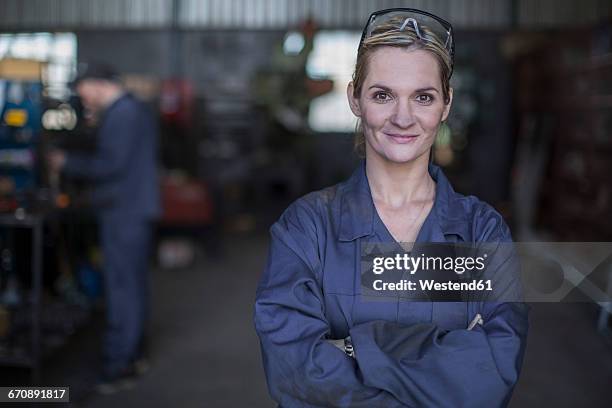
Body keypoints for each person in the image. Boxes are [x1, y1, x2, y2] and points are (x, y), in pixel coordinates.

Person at [254, 8, 528, 407]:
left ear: (446, 104)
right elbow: (296, 373)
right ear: (355, 99)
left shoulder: (480, 231)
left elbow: (493, 370)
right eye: (383, 95)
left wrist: (352, 347)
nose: (403, 117)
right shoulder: (306, 228)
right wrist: (441, 355)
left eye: (423, 96)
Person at [47, 62, 160, 392]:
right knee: (132, 286)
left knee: (123, 289)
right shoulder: (130, 110)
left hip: (124, 212)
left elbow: (110, 165)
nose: (82, 99)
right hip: (130, 209)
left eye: (82, 91)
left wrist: (65, 162)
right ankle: (134, 356)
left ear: (95, 84)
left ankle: (118, 365)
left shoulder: (124, 114)